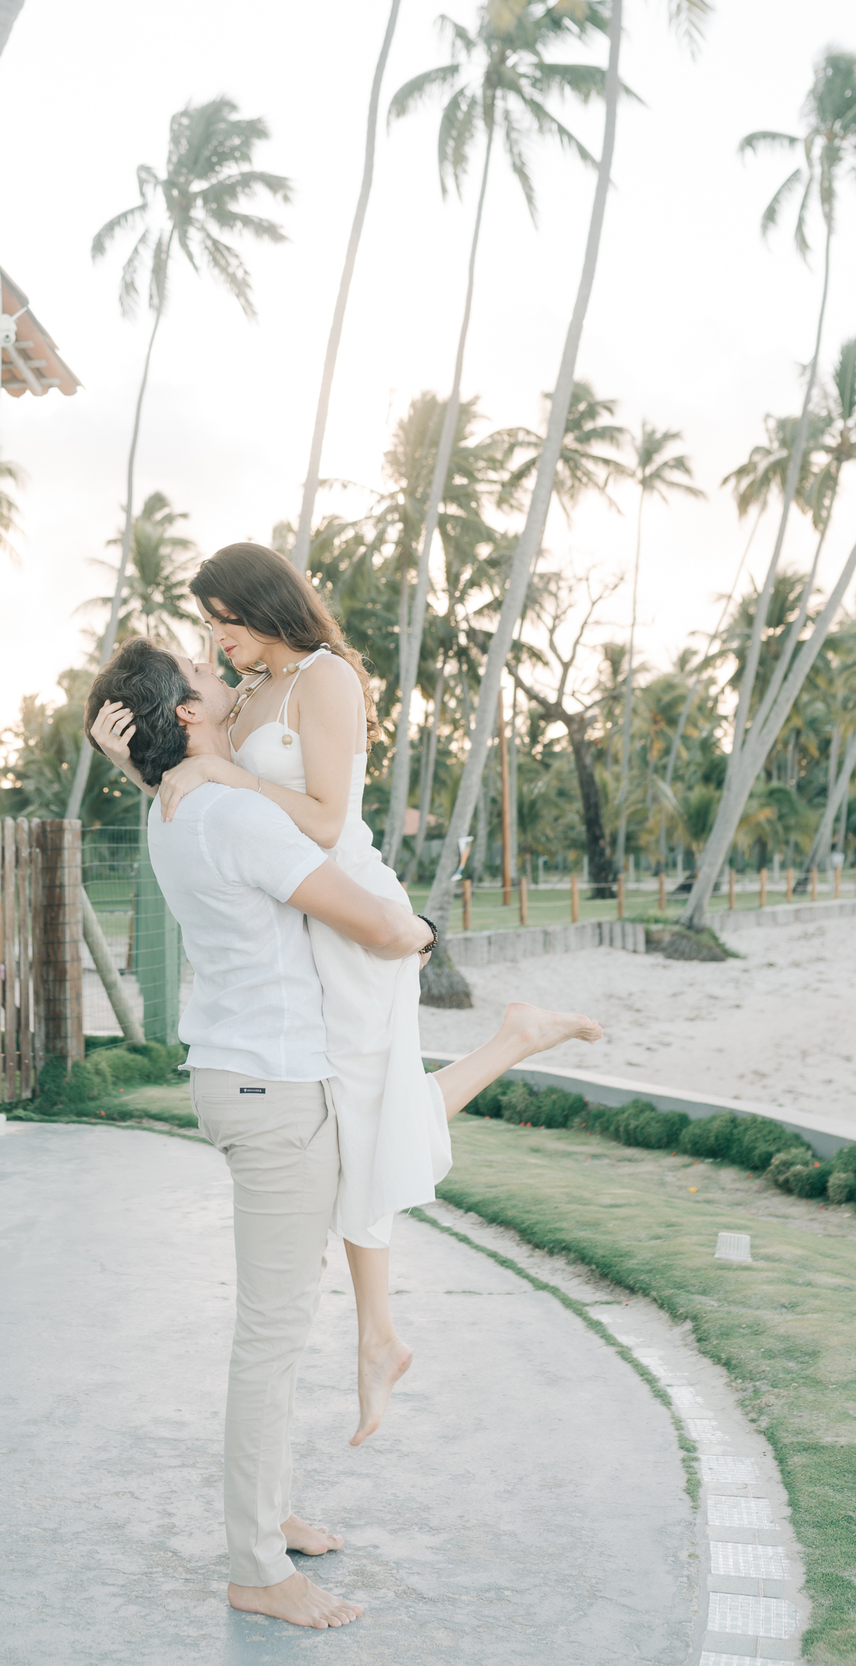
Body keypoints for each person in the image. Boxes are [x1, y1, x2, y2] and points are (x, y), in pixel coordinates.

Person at [85, 636, 602, 1631]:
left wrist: (139, 760)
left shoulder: (172, 808)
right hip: (278, 1090)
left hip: (242, 1079)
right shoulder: (234, 811)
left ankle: (270, 1510)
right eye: (205, 685)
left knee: (303, 1276)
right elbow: (370, 921)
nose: (225, 686)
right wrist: (423, 933)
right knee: (270, 1336)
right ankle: (254, 1563)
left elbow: (181, 771)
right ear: (187, 720)